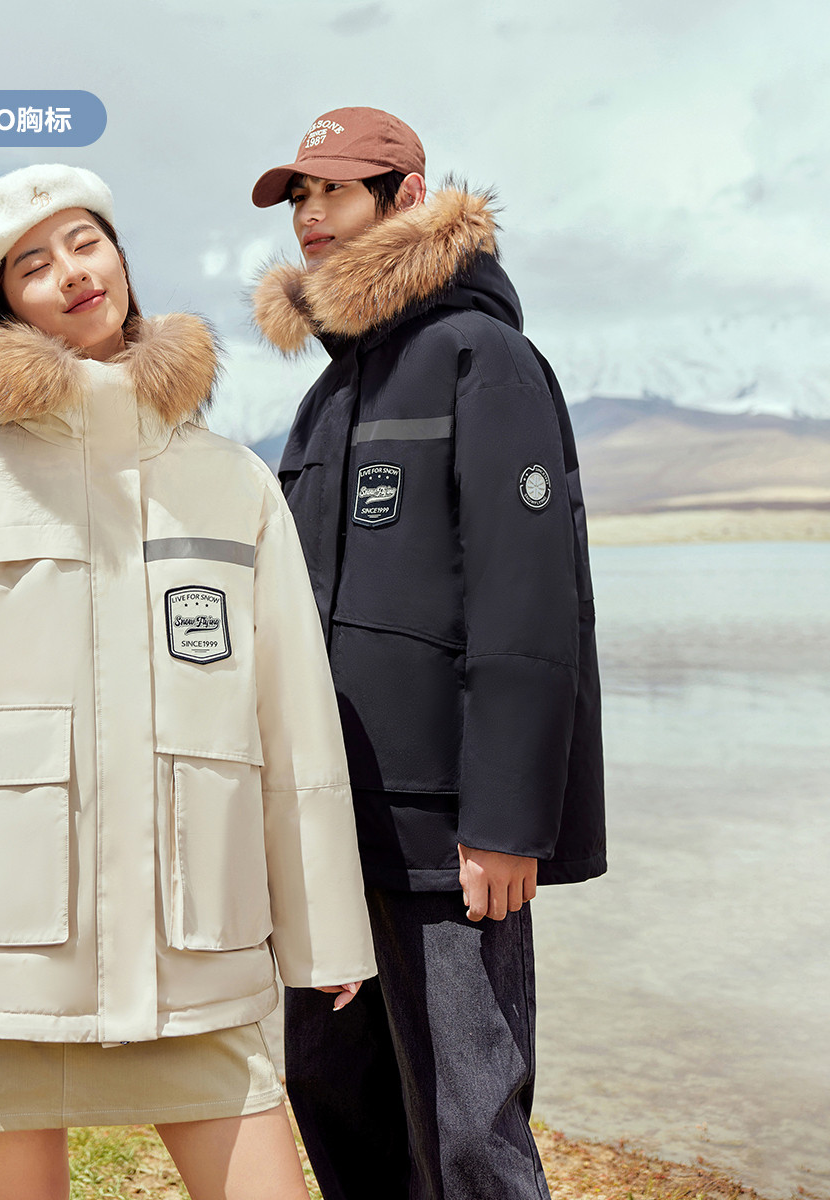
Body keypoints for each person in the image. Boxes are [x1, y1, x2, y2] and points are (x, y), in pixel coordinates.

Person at [0, 162, 376, 1200]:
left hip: (198, 947)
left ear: (121, 258)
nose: (70, 272)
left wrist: (325, 925)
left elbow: (293, 722)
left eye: (85, 242)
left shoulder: (233, 480)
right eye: (31, 265)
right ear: (2, 307)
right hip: (2, 954)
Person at [249, 108, 606, 1200]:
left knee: (467, 1125)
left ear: (405, 195)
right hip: (328, 826)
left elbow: (527, 600)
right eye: (298, 196)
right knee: (334, 1093)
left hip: (449, 838)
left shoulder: (484, 360)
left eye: (334, 190)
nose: (310, 216)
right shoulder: (326, 395)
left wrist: (507, 821)